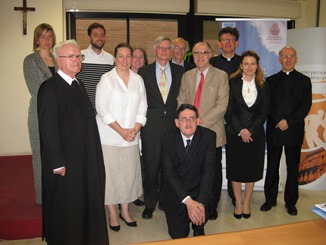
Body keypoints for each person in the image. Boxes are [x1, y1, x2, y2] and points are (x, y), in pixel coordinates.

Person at [37, 40, 109, 244]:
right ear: (59, 61)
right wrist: (57, 162)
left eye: (79, 56)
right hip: (66, 162)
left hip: (85, 158)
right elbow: (48, 128)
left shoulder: (78, 83)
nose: (78, 60)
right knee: (68, 207)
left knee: (84, 204)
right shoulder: (50, 88)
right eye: (72, 57)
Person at [96, 42, 147, 231]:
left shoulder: (137, 80)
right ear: (115, 58)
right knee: (111, 177)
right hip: (109, 136)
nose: (125, 60)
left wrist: (135, 128)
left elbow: (143, 106)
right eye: (121, 56)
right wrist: (122, 131)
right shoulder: (107, 79)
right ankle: (112, 213)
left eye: (128, 56)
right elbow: (102, 108)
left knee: (127, 175)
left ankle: (125, 211)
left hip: (132, 136)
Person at [177, 41, 229, 220]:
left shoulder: (221, 76)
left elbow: (222, 105)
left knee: (212, 171)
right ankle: (192, 203)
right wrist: (187, 121)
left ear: (210, 54)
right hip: (189, 131)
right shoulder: (187, 75)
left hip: (211, 131)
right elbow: (181, 100)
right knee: (193, 170)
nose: (200, 56)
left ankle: (211, 206)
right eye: (196, 53)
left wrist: (201, 122)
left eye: (204, 52)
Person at [260, 45, 312, 216]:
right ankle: (270, 199)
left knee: (292, 168)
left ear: (296, 59)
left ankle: (291, 202)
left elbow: (305, 107)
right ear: (279, 59)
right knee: (272, 166)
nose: (288, 59)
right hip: (275, 130)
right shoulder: (271, 81)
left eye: (291, 56)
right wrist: (278, 121)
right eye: (284, 56)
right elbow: (267, 105)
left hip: (294, 130)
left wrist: (288, 121)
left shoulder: (304, 81)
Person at [138, 36, 184, 219]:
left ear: (171, 51)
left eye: (167, 48)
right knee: (151, 166)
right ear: (155, 50)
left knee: (169, 166)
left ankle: (165, 200)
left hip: (173, 125)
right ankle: (150, 203)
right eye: (161, 48)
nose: (164, 51)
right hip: (151, 126)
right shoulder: (144, 72)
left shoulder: (181, 71)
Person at [159, 104, 217, 238]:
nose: (189, 122)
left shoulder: (209, 137)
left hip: (199, 189)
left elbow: (209, 171)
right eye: (184, 119)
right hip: (176, 192)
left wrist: (199, 204)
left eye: (192, 118)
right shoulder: (167, 139)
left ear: (198, 121)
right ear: (176, 123)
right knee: (178, 235)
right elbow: (168, 173)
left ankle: (198, 226)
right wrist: (188, 201)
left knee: (201, 214)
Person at [225, 50, 270, 219]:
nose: (249, 67)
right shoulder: (232, 82)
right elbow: (228, 110)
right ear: (241, 66)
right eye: (246, 63)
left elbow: (264, 111)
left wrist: (250, 130)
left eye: (253, 63)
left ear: (257, 66)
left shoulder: (263, 84)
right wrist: (241, 130)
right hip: (235, 133)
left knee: (252, 169)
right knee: (236, 169)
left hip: (256, 134)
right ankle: (238, 201)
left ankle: (247, 202)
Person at [23, 23, 57, 205]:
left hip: (59, 116)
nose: (46, 40)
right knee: (40, 156)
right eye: (43, 36)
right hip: (39, 115)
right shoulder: (30, 61)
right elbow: (37, 90)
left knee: (57, 155)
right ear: (36, 39)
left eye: (49, 36)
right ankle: (42, 197)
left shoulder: (58, 59)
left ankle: (57, 191)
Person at [210, 26, 241, 205]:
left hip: (235, 120)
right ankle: (212, 198)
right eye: (224, 40)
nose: (227, 43)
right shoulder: (212, 63)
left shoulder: (243, 62)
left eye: (231, 40)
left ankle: (233, 193)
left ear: (236, 43)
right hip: (216, 119)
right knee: (215, 160)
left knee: (234, 158)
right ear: (219, 43)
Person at [77, 22, 115, 112]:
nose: (100, 38)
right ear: (89, 38)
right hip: (83, 108)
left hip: (104, 110)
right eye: (95, 35)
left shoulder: (111, 59)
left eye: (102, 35)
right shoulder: (79, 57)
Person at [130, 46, 148, 207]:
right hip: (128, 127)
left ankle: (140, 191)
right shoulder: (125, 77)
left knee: (143, 162)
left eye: (141, 57)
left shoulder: (148, 76)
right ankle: (132, 193)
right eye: (134, 56)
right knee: (132, 161)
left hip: (146, 126)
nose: (137, 60)